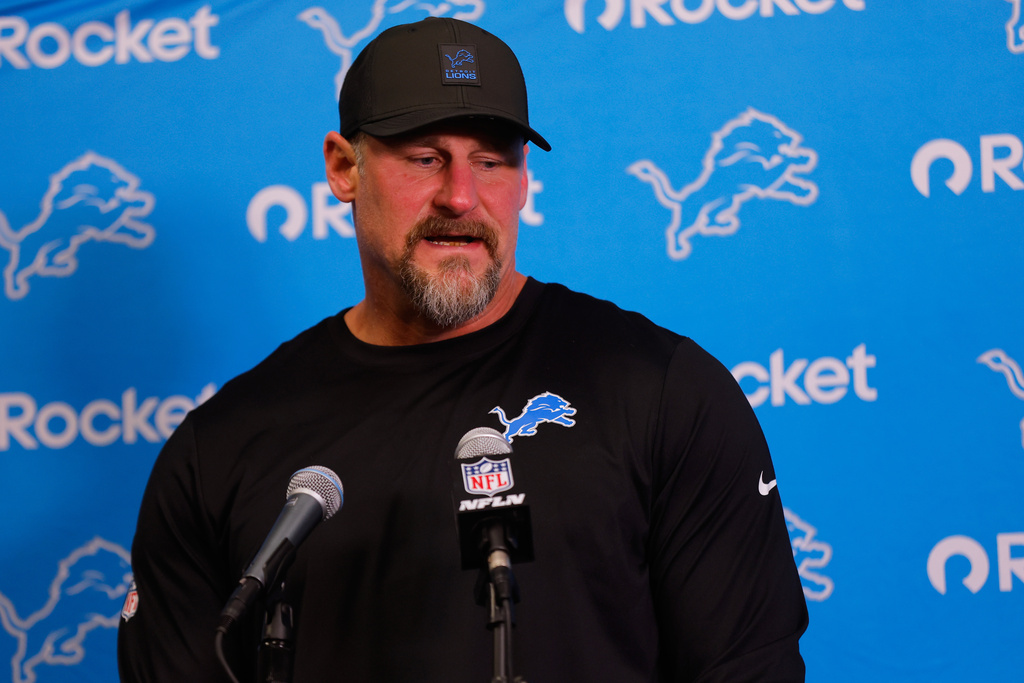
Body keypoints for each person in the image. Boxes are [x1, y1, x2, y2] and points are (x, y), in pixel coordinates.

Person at [117, 16, 808, 683]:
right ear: (342, 167)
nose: (461, 196)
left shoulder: (663, 391)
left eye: (492, 161)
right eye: (425, 158)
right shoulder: (223, 445)